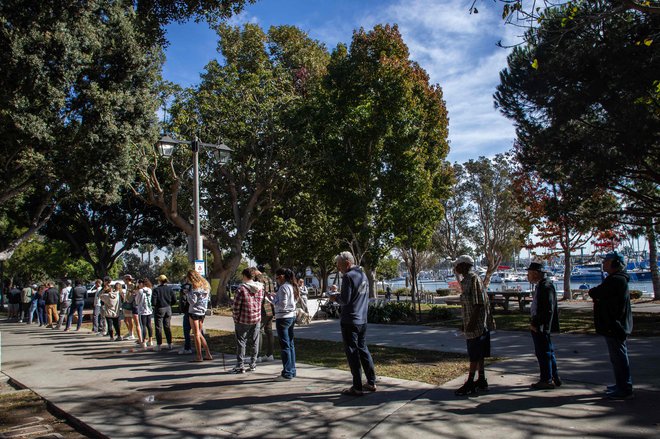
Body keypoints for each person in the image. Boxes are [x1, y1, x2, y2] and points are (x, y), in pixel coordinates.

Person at [588, 251, 634, 400]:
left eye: (607, 261)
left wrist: (598, 297)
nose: (603, 263)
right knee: (616, 357)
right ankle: (620, 384)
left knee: (619, 357)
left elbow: (596, 292)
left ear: (615, 263)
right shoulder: (614, 279)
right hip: (612, 325)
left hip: (615, 325)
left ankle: (624, 386)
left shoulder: (617, 280)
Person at [331, 251, 377, 396]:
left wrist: (334, 297)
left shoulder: (348, 276)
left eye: (339, 266)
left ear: (347, 264)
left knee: (352, 352)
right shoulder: (362, 274)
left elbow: (345, 300)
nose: (339, 269)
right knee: (363, 349)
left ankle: (357, 387)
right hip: (362, 319)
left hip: (350, 319)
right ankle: (371, 381)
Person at [453, 255, 495, 396]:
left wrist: (471, 323)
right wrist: (463, 323)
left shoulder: (474, 279)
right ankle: (481, 380)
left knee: (474, 355)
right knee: (478, 354)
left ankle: (470, 382)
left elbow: (479, 303)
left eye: (457, 265)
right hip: (470, 324)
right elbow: (467, 305)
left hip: (477, 326)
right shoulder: (465, 281)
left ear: (465, 265)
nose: (455, 268)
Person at [527, 262, 561, 390]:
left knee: (544, 352)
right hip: (539, 324)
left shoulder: (546, 287)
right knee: (547, 351)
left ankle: (546, 379)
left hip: (541, 325)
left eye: (529, 273)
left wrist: (537, 323)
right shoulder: (541, 286)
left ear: (536, 273)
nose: (527, 276)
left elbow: (547, 309)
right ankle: (554, 376)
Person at [231, 267, 264, 373]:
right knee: (255, 342)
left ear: (245, 276)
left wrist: (235, 318)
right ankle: (253, 364)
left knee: (241, 342)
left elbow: (236, 306)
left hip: (243, 319)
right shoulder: (260, 288)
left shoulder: (241, 289)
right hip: (256, 318)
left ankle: (240, 365)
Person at [271, 267, 298, 380]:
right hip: (291, 316)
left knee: (285, 345)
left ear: (281, 277)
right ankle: (292, 370)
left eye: (277, 278)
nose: (277, 280)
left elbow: (282, 304)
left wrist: (272, 300)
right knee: (290, 344)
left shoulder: (283, 288)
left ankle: (287, 373)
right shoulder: (291, 286)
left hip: (283, 317)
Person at [186, 269, 213, 362]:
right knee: (199, 333)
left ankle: (199, 356)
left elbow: (192, 301)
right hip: (202, 311)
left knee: (196, 333)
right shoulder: (206, 286)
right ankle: (208, 354)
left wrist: (187, 294)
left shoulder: (195, 287)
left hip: (194, 312)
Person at [152, 274, 177, 351]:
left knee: (158, 327)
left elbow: (153, 302)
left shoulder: (156, 290)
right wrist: (169, 304)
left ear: (159, 281)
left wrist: (155, 305)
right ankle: (169, 343)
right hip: (168, 308)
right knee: (167, 326)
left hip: (159, 308)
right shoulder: (170, 289)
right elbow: (174, 300)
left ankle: (159, 344)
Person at [257, 270, 275, 363]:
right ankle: (270, 354)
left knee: (259, 330)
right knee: (269, 331)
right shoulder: (269, 279)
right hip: (270, 307)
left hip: (262, 307)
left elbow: (259, 294)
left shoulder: (259, 280)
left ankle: (258, 355)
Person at [135, 278, 154, 349]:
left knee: (143, 326)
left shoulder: (140, 291)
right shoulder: (149, 290)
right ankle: (150, 340)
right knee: (149, 325)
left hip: (142, 310)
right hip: (149, 309)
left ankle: (143, 341)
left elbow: (137, 301)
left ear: (141, 284)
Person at [178, 280, 193, 355]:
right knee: (198, 331)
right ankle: (202, 346)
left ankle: (187, 348)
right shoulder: (193, 292)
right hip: (195, 313)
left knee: (186, 331)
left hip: (187, 313)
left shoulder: (185, 295)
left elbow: (183, 305)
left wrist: (182, 310)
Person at [120, 276, 136, 340]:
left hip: (130, 304)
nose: (123, 280)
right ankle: (129, 332)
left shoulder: (132, 285)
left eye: (124, 279)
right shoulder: (127, 286)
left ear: (127, 279)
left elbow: (133, 294)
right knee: (125, 320)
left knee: (129, 319)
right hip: (126, 303)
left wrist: (130, 301)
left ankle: (132, 334)